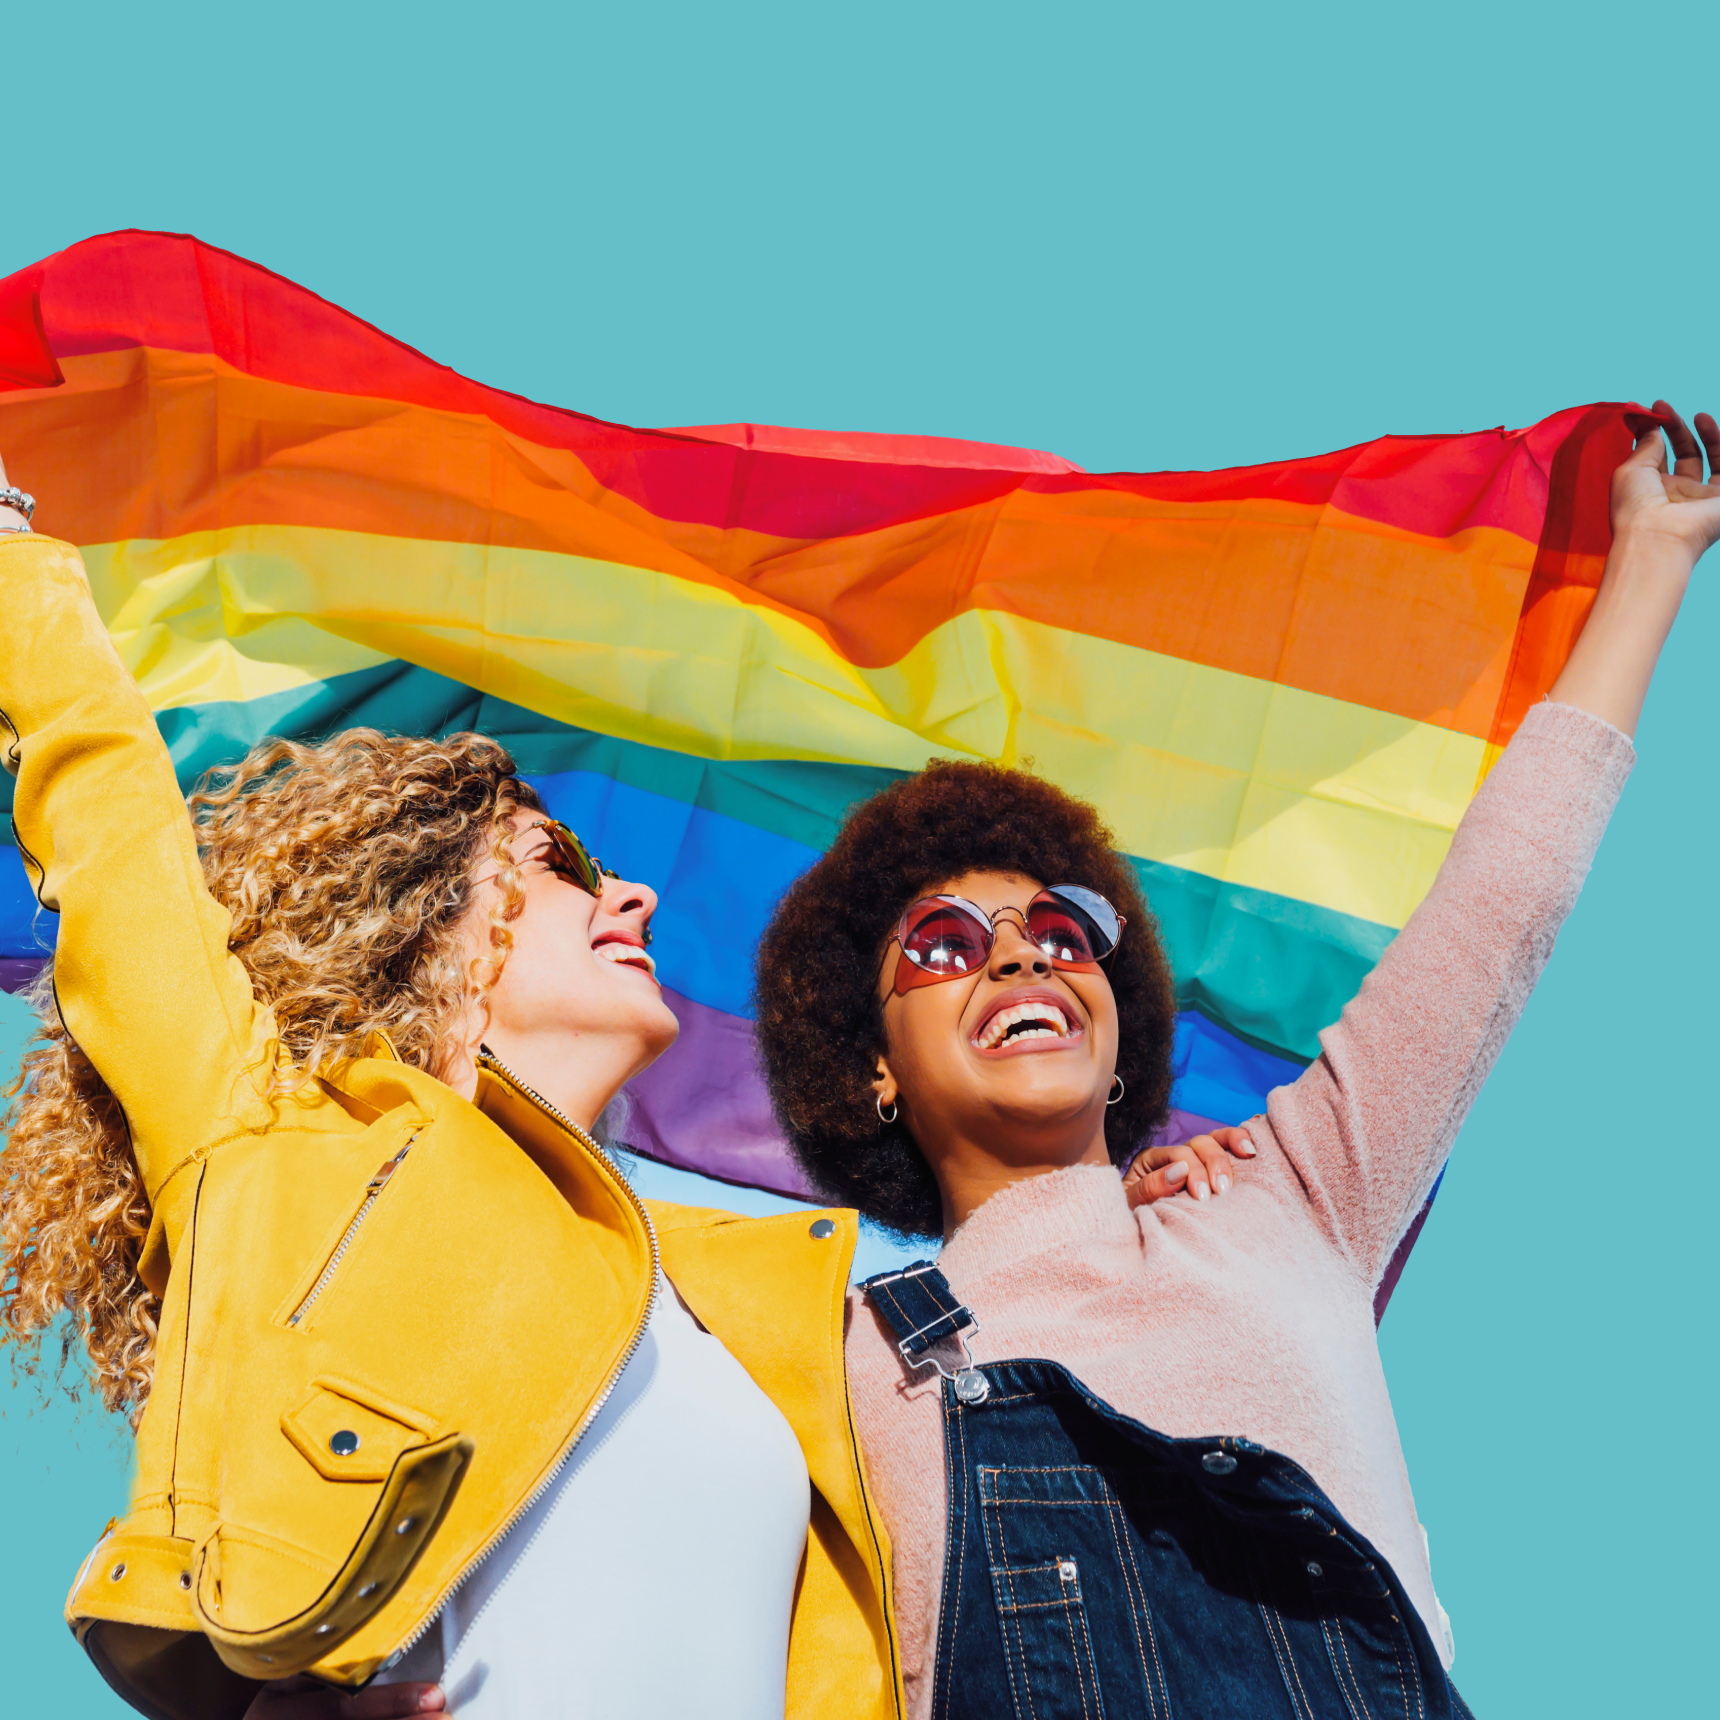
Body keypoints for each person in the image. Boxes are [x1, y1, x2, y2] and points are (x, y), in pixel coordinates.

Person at [753, 407, 1720, 1719]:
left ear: (1116, 1045)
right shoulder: (842, 1357)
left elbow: (1498, 909)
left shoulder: (1292, 1201)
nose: (1020, 960)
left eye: (1058, 931)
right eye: (942, 945)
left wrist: (1652, 563)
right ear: (872, 1070)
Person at [0, 455, 913, 1720]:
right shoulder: (277, 1144)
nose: (632, 897)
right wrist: (7, 552)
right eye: (559, 863)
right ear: (417, 917)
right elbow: (114, 833)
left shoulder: (740, 1294)